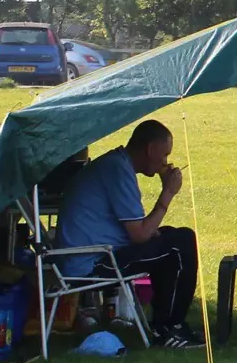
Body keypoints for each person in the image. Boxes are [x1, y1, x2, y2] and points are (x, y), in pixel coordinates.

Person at [54, 119, 203, 348]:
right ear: (150, 149)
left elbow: (139, 228)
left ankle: (165, 324)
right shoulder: (117, 170)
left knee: (172, 236)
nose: (165, 162)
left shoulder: (115, 164)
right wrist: (168, 193)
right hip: (90, 263)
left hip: (90, 255)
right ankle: (169, 329)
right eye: (164, 155)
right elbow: (140, 235)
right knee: (179, 242)